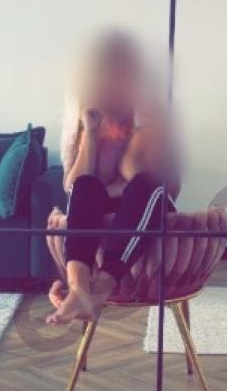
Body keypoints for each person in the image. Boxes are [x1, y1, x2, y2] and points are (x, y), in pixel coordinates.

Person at [47, 31, 181, 325]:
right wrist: (91, 133)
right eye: (110, 77)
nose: (117, 85)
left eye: (125, 76)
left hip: (150, 210)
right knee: (86, 185)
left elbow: (157, 184)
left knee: (145, 184)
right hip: (106, 215)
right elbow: (74, 187)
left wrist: (146, 132)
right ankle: (79, 288)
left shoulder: (152, 116)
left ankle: (99, 290)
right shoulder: (84, 120)